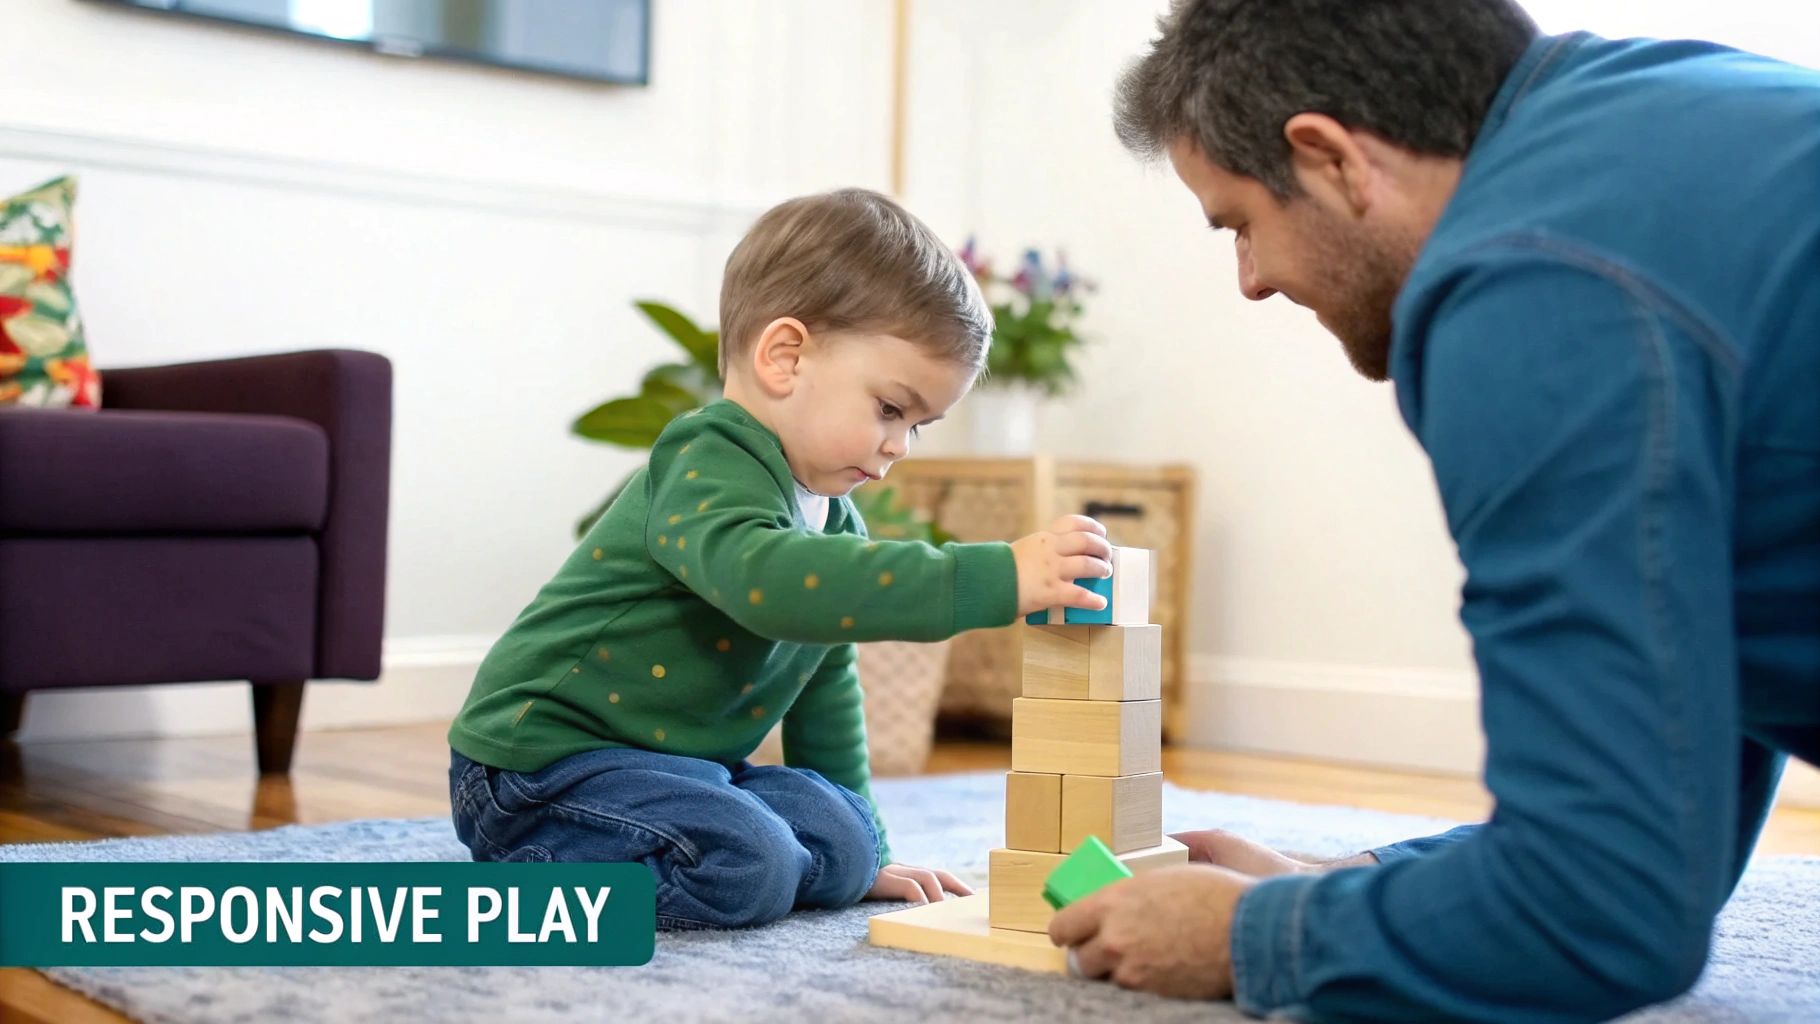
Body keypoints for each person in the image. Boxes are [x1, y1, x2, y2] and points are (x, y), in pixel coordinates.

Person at [1049, 1, 1820, 1019]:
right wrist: (1343, 880)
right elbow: (1660, 828)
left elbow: (1601, 908)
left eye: (1238, 223)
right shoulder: (1642, 120)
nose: (1250, 280)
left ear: (1326, 157)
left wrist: (1246, 935)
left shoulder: (1532, 285)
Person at [445, 188, 1115, 929]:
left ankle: (764, 847)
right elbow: (774, 584)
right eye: (891, 409)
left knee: (849, 845)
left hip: (683, 770)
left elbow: (826, 693)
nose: (899, 444)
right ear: (785, 356)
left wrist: (873, 849)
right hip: (541, 771)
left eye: (919, 425)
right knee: (750, 867)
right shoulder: (705, 457)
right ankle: (541, 880)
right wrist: (993, 578)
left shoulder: (832, 518)